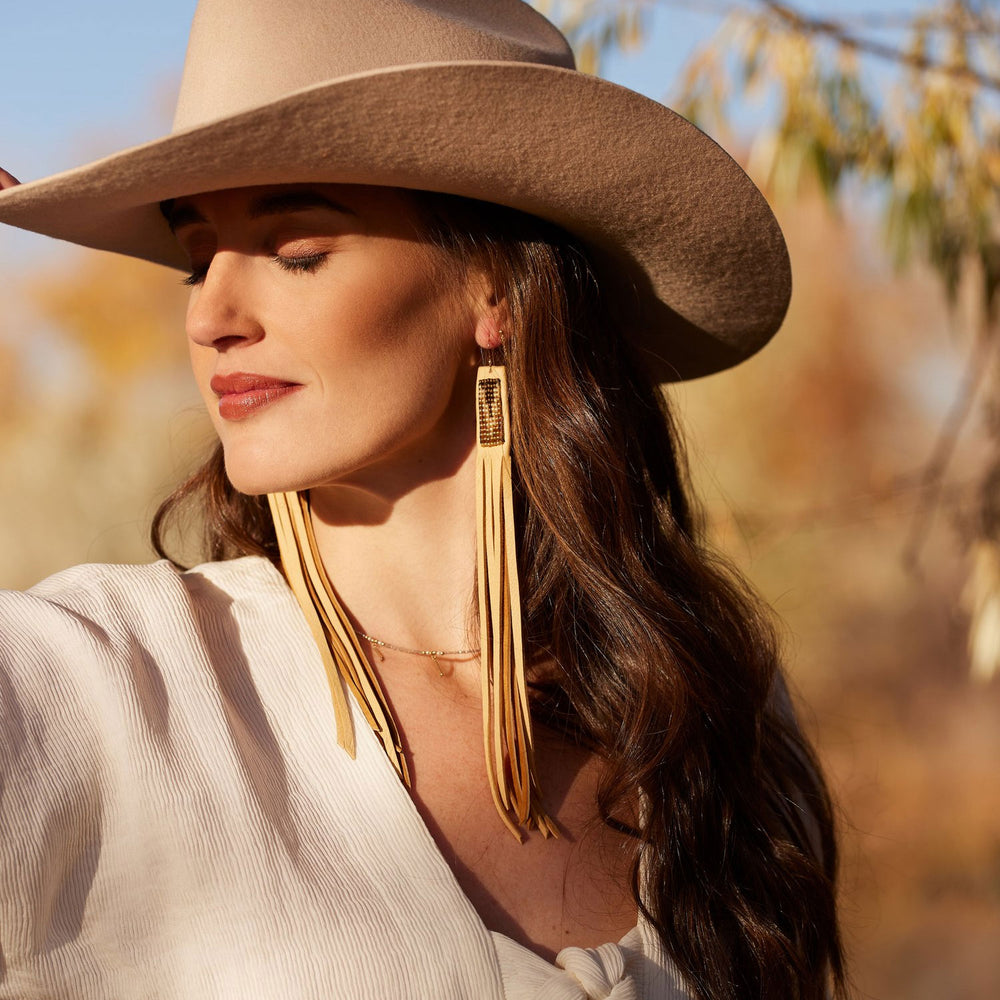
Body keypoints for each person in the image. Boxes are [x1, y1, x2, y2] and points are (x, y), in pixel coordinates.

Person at [0, 1, 846, 998]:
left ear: (494, 290)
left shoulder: (704, 704)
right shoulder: (91, 683)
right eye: (197, 258)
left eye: (297, 251)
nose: (212, 317)